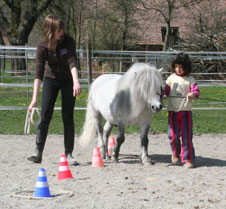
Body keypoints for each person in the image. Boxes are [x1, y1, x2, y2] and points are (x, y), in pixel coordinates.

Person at [27, 14, 81, 165]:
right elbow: (38, 73)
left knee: (68, 117)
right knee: (45, 116)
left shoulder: (68, 41)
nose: (61, 32)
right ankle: (38, 151)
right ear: (50, 30)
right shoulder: (42, 45)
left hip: (68, 80)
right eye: (58, 30)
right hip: (50, 80)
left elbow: (72, 61)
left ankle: (69, 153)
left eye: (62, 29)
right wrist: (34, 99)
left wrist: (76, 82)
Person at [163, 53, 200, 168]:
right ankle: (175, 153)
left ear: (186, 67)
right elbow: (166, 91)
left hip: (185, 112)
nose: (178, 69)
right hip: (173, 112)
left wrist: (192, 94)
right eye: (176, 66)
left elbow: (196, 92)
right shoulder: (171, 78)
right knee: (173, 135)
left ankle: (187, 159)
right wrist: (164, 95)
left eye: (181, 67)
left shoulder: (190, 79)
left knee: (186, 136)